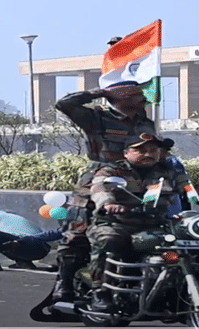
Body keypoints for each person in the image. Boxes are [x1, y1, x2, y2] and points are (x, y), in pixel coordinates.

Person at [50, 80, 157, 301]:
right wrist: (102, 93)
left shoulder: (146, 123)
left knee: (132, 233)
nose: (143, 99)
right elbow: (64, 104)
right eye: (136, 94)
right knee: (76, 234)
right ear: (121, 96)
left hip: (137, 181)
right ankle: (64, 283)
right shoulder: (96, 117)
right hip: (97, 181)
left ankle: (126, 282)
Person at [84, 133, 184, 311]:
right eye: (140, 150)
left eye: (153, 150)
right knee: (110, 240)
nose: (148, 154)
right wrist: (109, 203)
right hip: (116, 223)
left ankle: (181, 291)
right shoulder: (112, 170)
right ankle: (101, 291)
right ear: (125, 153)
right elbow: (99, 187)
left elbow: (193, 191)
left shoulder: (168, 172)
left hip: (155, 225)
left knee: (189, 243)